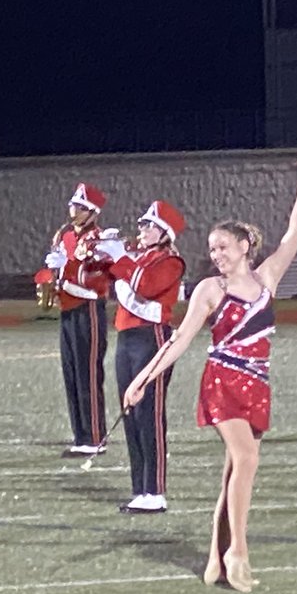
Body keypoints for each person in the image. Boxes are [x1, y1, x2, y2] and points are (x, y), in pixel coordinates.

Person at [123, 145, 297, 593]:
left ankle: (215, 559)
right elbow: (179, 340)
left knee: (234, 470)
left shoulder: (266, 279)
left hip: (257, 383)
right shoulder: (209, 290)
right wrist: (142, 379)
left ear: (244, 247)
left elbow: (295, 232)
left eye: (222, 247)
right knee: (247, 459)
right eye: (212, 249)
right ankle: (239, 551)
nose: (215, 254)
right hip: (222, 381)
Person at [97, 201, 186, 513]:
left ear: (164, 232)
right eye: (143, 225)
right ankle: (140, 489)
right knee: (130, 412)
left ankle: (155, 491)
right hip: (127, 337)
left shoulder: (171, 261)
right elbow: (112, 276)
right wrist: (100, 253)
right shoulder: (141, 257)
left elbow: (145, 287)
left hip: (152, 337)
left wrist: (120, 257)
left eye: (149, 226)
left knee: (149, 412)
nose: (142, 230)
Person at [42, 183, 111, 457]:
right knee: (71, 373)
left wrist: (67, 270)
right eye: (73, 206)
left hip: (89, 308)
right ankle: (80, 435)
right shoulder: (65, 235)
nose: (74, 212)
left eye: (80, 207)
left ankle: (94, 436)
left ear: (93, 212)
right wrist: (51, 274)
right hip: (68, 308)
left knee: (88, 374)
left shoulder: (101, 240)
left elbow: (97, 280)